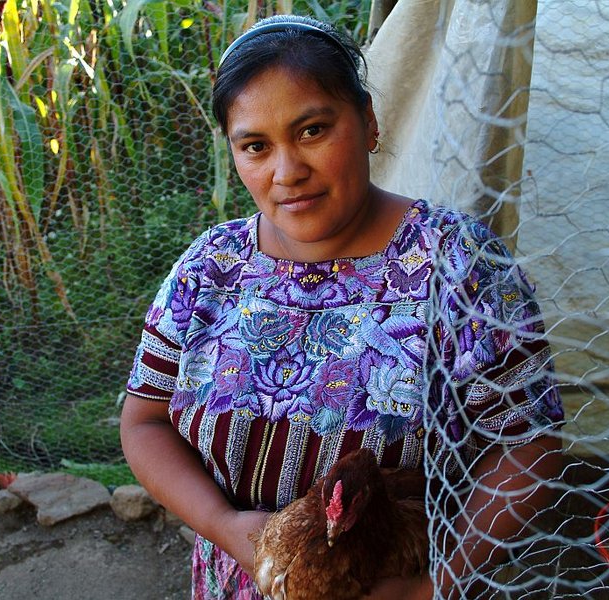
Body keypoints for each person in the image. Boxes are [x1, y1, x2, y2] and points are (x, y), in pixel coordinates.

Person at [120, 14, 564, 599]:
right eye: (256, 146)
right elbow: (144, 420)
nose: (287, 172)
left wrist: (434, 587)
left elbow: (531, 443)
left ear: (369, 122)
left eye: (312, 131)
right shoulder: (210, 268)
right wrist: (225, 528)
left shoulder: (459, 266)